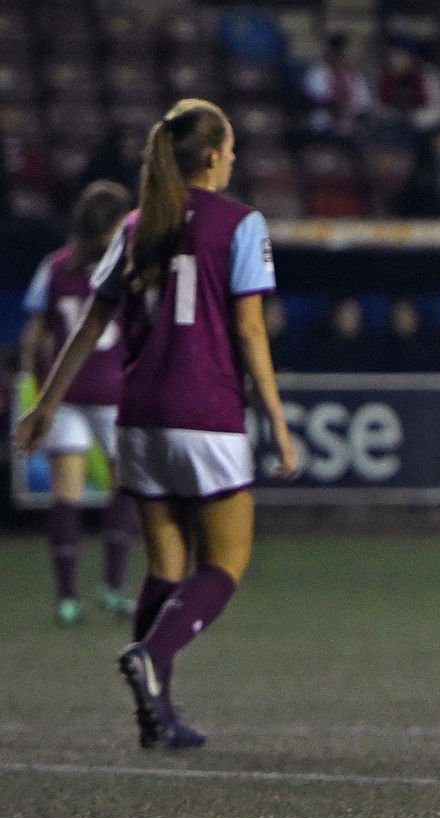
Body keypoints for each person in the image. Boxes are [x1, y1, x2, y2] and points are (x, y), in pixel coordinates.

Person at [14, 98, 298, 750]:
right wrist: (279, 423)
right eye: (229, 149)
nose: (233, 160)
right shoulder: (241, 223)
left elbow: (91, 323)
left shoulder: (140, 222)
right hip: (208, 411)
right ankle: (149, 654)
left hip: (138, 413)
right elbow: (251, 330)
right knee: (225, 561)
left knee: (165, 564)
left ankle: (158, 711)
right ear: (212, 155)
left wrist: (47, 402)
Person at [19, 180, 136, 625]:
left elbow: (35, 333)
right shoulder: (125, 267)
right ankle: (112, 587)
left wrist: (32, 384)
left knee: (65, 496)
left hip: (63, 392)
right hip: (113, 392)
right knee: (124, 489)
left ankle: (68, 597)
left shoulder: (53, 267)